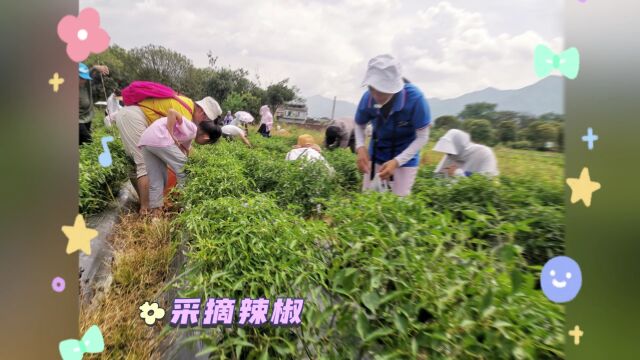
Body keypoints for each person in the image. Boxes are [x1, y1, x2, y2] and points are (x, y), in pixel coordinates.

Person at [115, 93, 222, 214]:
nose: (203, 123)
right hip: (135, 119)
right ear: (202, 112)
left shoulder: (188, 107)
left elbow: (184, 150)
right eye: (206, 120)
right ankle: (175, 206)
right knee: (150, 167)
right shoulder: (187, 114)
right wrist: (170, 133)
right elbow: (172, 115)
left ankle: (154, 211)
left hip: (148, 137)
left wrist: (198, 162)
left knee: (157, 175)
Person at [354, 54, 432, 196]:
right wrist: (360, 147)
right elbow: (359, 125)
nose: (376, 95)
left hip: (405, 158)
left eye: (382, 91)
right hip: (377, 154)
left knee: (398, 203)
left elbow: (422, 137)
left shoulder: (415, 99)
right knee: (368, 200)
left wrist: (397, 162)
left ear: (394, 88)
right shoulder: (367, 98)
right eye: (372, 88)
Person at [138, 109, 222, 216]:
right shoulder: (192, 128)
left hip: (146, 141)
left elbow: (183, 152)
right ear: (206, 138)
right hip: (159, 138)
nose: (203, 145)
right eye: (206, 143)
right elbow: (172, 112)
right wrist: (170, 133)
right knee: (185, 171)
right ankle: (184, 207)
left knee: (157, 178)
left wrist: (197, 160)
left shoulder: (189, 136)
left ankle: (156, 214)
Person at [433, 129, 499, 177]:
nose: (448, 155)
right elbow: (437, 175)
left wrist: (457, 173)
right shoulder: (450, 155)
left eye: (449, 153)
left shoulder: (484, 153)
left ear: (458, 146)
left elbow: (486, 180)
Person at [78, 63, 109, 145]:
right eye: (81, 78)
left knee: (81, 143)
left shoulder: (86, 83)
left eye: (85, 78)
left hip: (87, 117)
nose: (84, 80)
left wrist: (96, 68)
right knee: (88, 141)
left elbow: (91, 72)